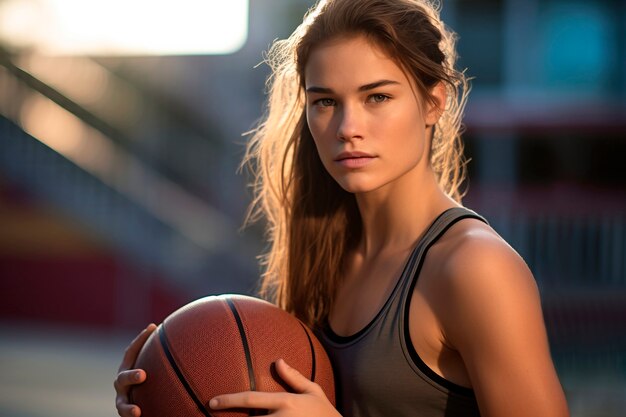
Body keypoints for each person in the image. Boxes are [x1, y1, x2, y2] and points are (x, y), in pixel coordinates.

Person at [114, 0, 570, 416]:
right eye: (326, 102)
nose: (348, 127)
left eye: (377, 97)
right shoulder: (324, 251)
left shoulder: (475, 268)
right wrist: (167, 391)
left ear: (433, 103)